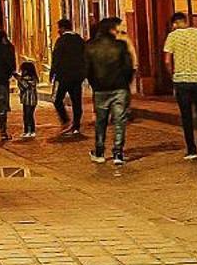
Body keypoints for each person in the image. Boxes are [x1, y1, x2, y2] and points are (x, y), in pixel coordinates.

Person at [86, 15, 136, 167]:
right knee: (119, 121)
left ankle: (99, 152)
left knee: (101, 121)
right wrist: (125, 83)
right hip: (119, 88)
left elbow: (87, 70)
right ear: (111, 30)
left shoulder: (91, 47)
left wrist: (95, 84)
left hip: (100, 89)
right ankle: (118, 153)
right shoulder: (120, 46)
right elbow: (128, 67)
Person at [163, 10, 197, 160]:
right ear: (186, 21)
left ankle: (191, 149)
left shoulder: (172, 36)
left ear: (174, 24)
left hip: (181, 81)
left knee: (186, 116)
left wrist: (173, 74)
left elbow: (167, 60)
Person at [49, 17, 88, 138]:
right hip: (77, 76)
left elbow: (56, 59)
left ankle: (65, 121)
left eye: (59, 28)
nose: (58, 31)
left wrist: (53, 73)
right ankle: (76, 125)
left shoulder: (61, 41)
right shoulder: (79, 40)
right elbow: (85, 57)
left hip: (63, 76)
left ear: (63, 28)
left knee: (56, 99)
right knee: (77, 101)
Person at [17, 59, 41, 139]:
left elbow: (25, 86)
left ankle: (31, 131)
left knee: (29, 115)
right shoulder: (28, 78)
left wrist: (19, 79)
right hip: (27, 100)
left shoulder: (31, 79)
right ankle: (27, 131)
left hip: (30, 100)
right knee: (27, 115)